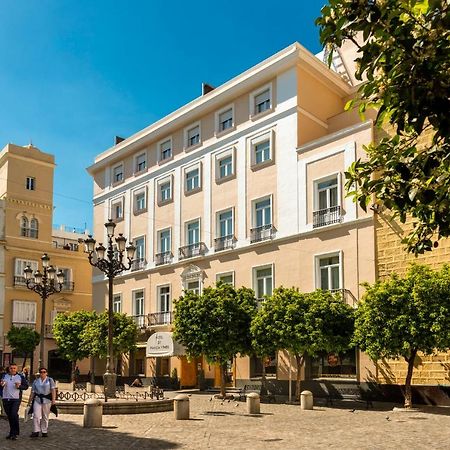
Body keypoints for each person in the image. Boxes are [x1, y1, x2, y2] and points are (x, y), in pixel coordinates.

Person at [29, 367, 56, 438]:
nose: (42, 373)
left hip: (47, 400)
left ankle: (44, 431)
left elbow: (53, 390)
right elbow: (32, 392)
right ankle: (36, 430)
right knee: (36, 415)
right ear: (39, 373)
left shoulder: (50, 380)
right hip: (37, 399)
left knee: (45, 416)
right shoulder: (36, 381)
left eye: (44, 372)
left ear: (46, 373)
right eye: (41, 372)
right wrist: (29, 401)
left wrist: (53, 400)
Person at [1, 363, 22, 440]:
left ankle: (14, 433)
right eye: (11, 368)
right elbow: (1, 385)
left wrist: (19, 386)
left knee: (13, 414)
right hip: (6, 398)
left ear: (16, 369)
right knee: (10, 416)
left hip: (15, 399)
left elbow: (25, 386)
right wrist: (1, 384)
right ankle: (12, 432)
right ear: (9, 369)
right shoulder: (4, 376)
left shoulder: (20, 376)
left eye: (14, 368)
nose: (13, 370)